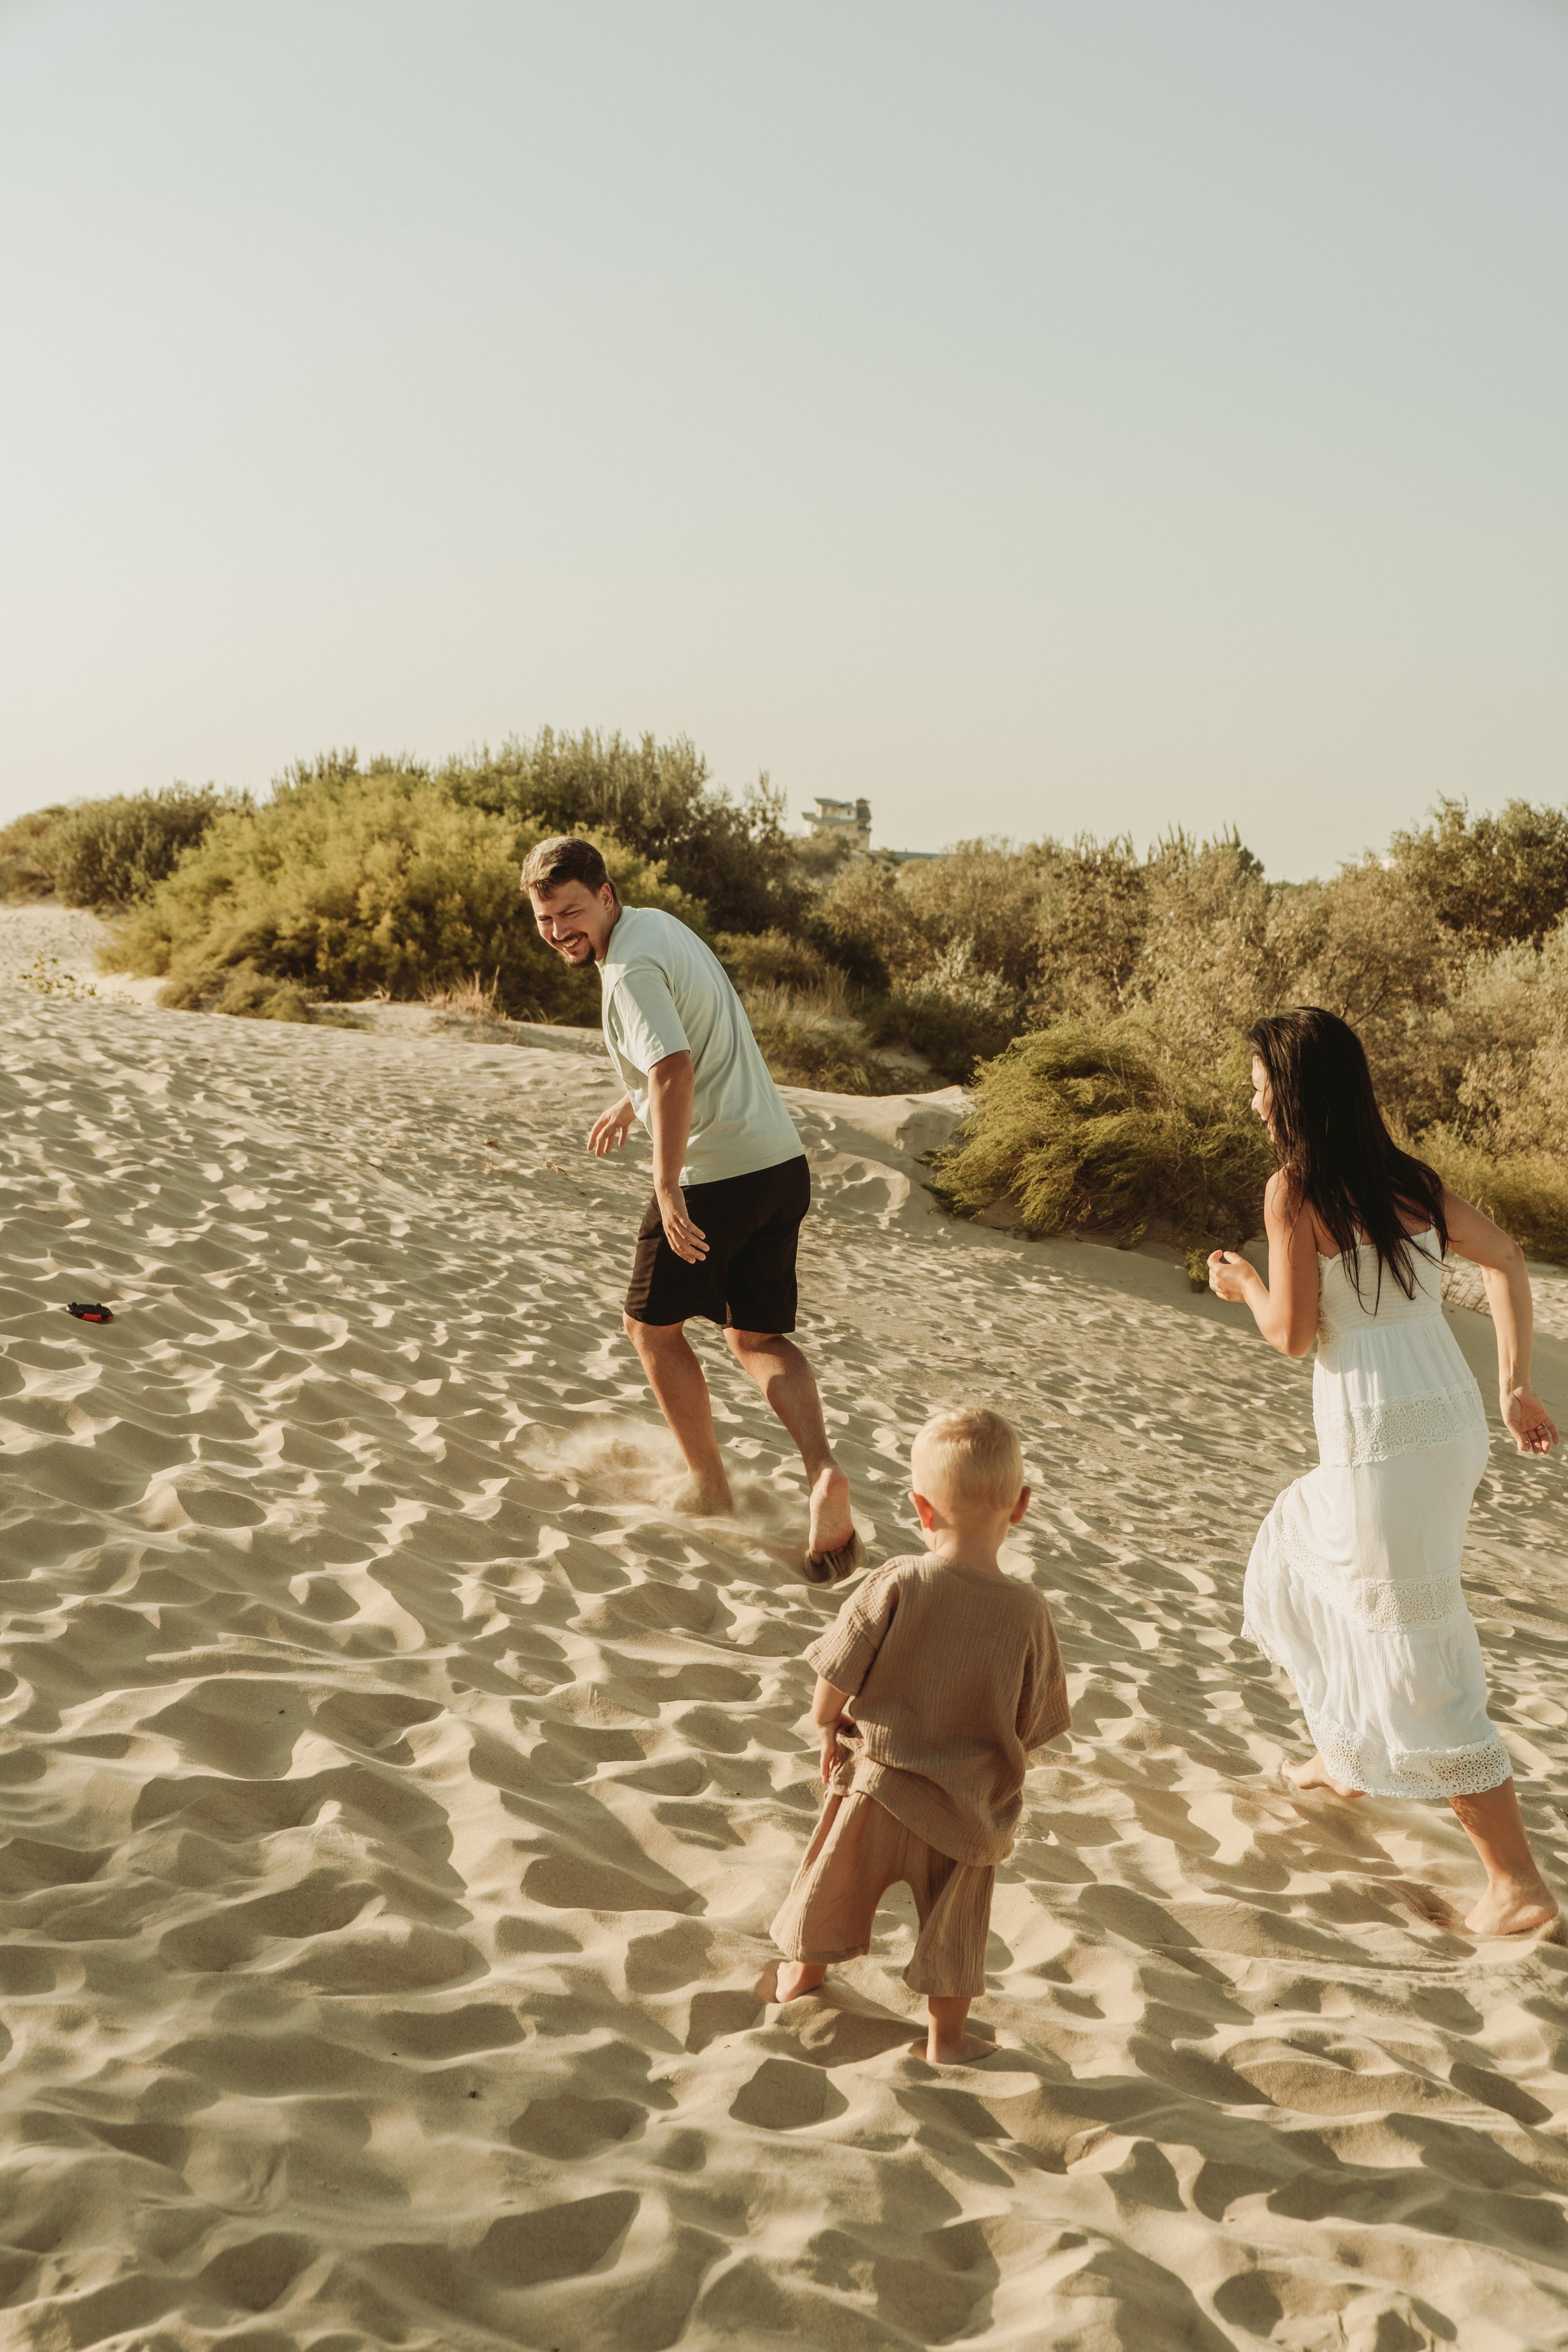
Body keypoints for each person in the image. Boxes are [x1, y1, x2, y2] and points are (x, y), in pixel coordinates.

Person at [1208, 1006, 1559, 1938]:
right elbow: (1509, 1260)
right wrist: (1512, 1386)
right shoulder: (1410, 1182)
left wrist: (1243, 1283)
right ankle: (1345, 1754)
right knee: (1303, 1544)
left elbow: (1289, 1336)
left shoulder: (1295, 1192)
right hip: (1443, 1424)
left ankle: (1518, 1884)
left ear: (1290, 1094)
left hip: (1380, 1441)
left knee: (1419, 1645)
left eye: (1256, 1083)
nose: (1249, 1099)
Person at [522, 834, 864, 1579]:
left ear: (605, 895)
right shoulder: (661, 929)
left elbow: (674, 1068)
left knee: (650, 1330)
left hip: (719, 1174)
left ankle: (710, 1487)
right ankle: (822, 1474)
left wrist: (668, 1183)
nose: (558, 933)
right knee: (757, 1339)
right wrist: (629, 1100)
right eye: (545, 919)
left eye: (571, 913)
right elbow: (689, 1043)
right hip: (780, 1164)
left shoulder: (630, 967)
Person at [763, 1406, 1069, 2064]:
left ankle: (803, 1976)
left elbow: (841, 1665)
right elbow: (1034, 1719)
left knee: (831, 1882)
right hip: (962, 1810)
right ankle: (946, 2040)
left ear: (921, 1510)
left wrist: (827, 1723)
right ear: (1020, 1507)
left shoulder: (900, 1579)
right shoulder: (1027, 1612)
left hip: (876, 1782)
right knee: (953, 1930)